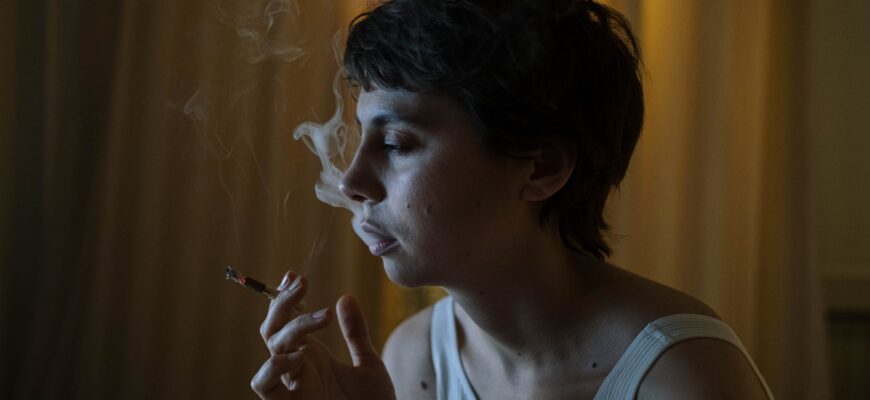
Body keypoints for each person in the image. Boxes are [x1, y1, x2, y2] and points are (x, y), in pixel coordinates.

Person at [250, 0, 775, 398]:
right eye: (361, 136)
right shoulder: (416, 359)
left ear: (541, 167)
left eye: (395, 143)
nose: (351, 181)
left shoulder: (681, 376)